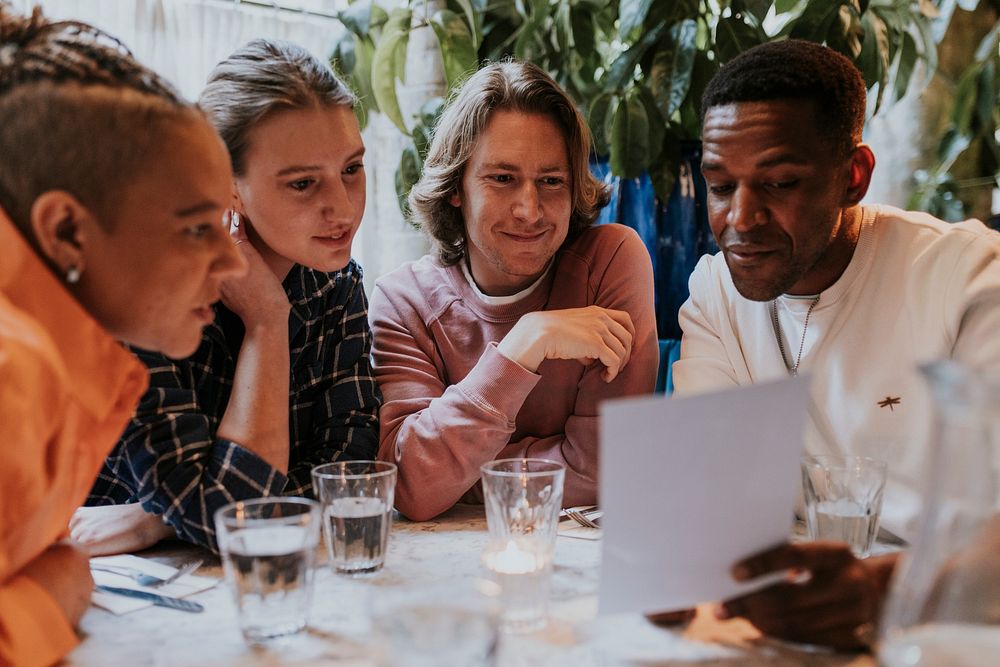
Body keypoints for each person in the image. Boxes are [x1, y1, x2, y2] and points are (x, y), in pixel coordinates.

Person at [669, 39, 1000, 649]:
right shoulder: (715, 292)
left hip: (957, 625)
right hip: (787, 618)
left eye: (780, 183)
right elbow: (707, 489)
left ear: (853, 176)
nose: (741, 218)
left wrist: (880, 590)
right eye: (720, 186)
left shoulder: (968, 277)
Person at [0, 4, 245, 664]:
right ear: (68, 232)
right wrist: (48, 595)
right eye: (197, 228)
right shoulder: (12, 372)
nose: (234, 263)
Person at [73, 39, 381, 553]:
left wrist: (161, 521)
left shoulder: (335, 284)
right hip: (99, 587)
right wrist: (265, 319)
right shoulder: (147, 297)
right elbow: (232, 520)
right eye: (304, 184)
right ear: (227, 185)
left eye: (351, 168)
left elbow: (349, 477)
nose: (344, 209)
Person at [369, 60, 658, 521]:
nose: (530, 209)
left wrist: (461, 478)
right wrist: (523, 346)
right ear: (456, 188)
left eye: (551, 181)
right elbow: (410, 486)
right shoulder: (404, 302)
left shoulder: (610, 262)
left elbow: (606, 469)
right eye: (502, 179)